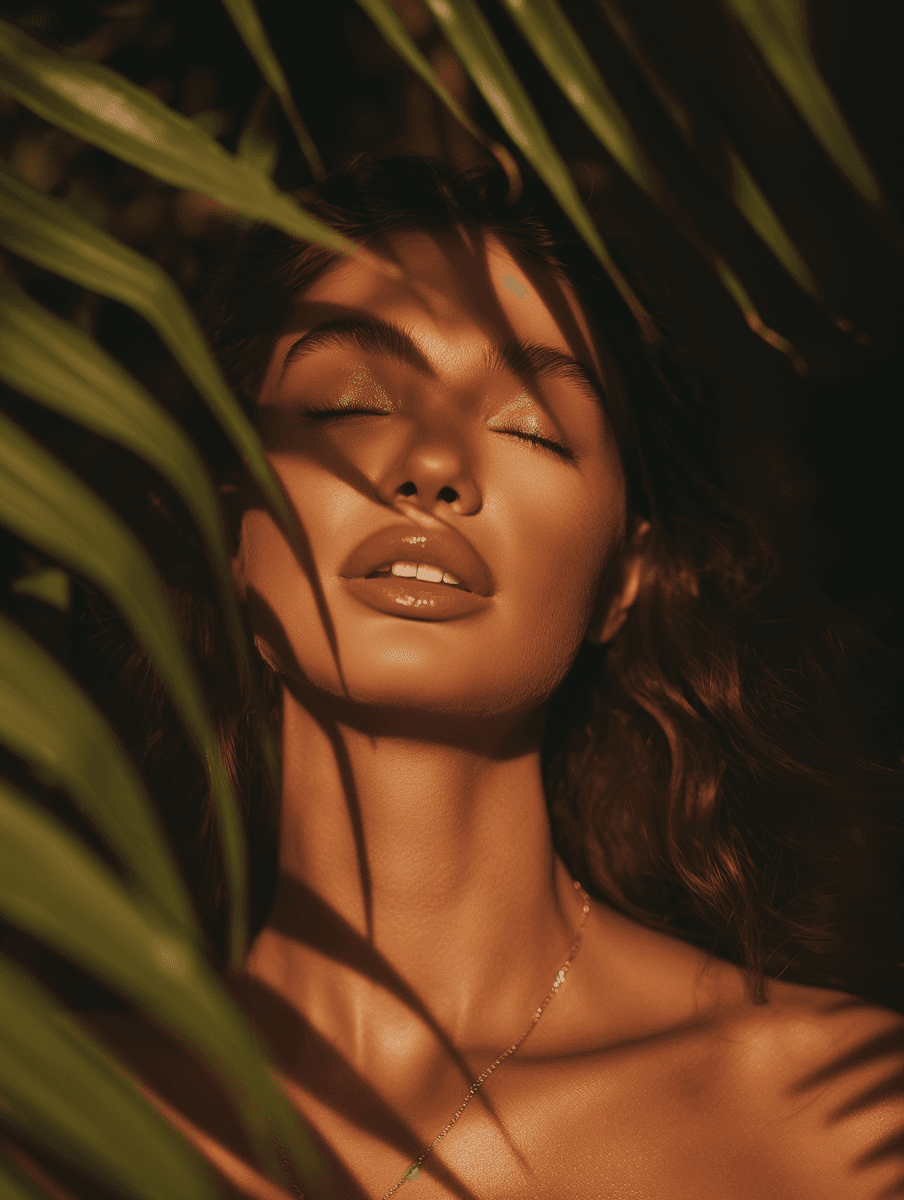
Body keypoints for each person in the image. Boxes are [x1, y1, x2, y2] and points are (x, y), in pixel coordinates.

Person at [79, 155, 904, 1198]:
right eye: (348, 403)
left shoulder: (837, 1118)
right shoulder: (49, 1108)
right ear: (231, 523)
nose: (431, 465)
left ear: (624, 578)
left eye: (528, 426)